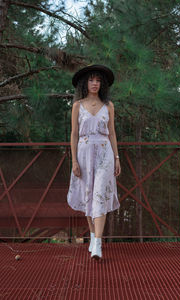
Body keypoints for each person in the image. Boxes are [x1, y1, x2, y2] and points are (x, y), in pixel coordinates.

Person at [67, 64, 121, 260]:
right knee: (88, 195)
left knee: (99, 193)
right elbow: (73, 135)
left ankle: (97, 243)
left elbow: (112, 133)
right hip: (83, 153)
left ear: (103, 84)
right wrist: (74, 161)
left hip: (105, 152)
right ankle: (92, 236)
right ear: (85, 83)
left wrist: (117, 157)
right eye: (91, 80)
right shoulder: (77, 106)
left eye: (98, 80)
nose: (95, 83)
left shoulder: (109, 106)